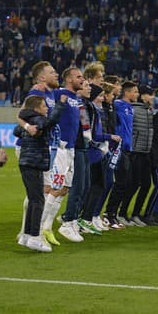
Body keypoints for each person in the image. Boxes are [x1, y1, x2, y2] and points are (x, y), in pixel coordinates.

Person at [14, 94, 66, 252]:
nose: (47, 108)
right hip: (33, 163)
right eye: (44, 106)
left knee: (33, 199)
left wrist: (26, 126)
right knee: (38, 201)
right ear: (36, 109)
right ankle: (35, 237)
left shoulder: (29, 121)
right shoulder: (37, 119)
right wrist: (60, 105)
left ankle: (26, 236)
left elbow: (16, 131)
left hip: (28, 163)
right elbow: (49, 122)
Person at [15, 61, 59, 241]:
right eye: (52, 72)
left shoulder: (50, 93)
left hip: (43, 146)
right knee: (39, 192)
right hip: (31, 147)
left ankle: (28, 231)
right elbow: (19, 115)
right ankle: (31, 232)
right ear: (42, 77)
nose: (56, 74)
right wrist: (27, 126)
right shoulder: (35, 93)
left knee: (40, 191)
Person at [41, 67, 84, 245]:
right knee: (55, 188)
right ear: (68, 79)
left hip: (71, 149)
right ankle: (40, 228)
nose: (82, 79)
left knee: (65, 188)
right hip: (59, 148)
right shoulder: (59, 93)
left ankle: (48, 227)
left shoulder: (75, 98)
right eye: (78, 77)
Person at [78, 85, 121, 232]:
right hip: (92, 153)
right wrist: (109, 137)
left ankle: (86, 219)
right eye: (100, 95)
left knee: (96, 186)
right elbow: (92, 135)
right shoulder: (89, 110)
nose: (102, 98)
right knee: (93, 187)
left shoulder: (94, 109)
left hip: (97, 152)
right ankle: (81, 219)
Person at [59, 80, 93, 240]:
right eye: (86, 86)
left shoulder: (82, 105)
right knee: (77, 186)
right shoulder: (74, 104)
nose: (89, 89)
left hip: (83, 147)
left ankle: (72, 220)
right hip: (76, 147)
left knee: (84, 186)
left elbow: (86, 127)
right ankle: (68, 222)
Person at [104, 81, 139, 228]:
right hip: (117, 148)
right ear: (128, 92)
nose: (137, 94)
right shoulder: (118, 104)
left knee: (125, 182)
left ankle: (112, 214)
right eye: (135, 92)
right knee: (120, 182)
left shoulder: (130, 108)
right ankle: (108, 214)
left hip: (127, 148)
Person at [120, 85, 155, 227]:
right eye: (150, 95)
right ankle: (122, 213)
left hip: (146, 151)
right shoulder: (133, 109)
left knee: (146, 184)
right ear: (143, 96)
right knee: (133, 184)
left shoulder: (149, 111)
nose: (153, 97)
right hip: (135, 152)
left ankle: (135, 214)